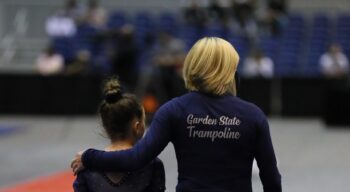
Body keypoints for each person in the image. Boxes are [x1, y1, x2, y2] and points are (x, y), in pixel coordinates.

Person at [71, 37, 282, 192]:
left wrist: (90, 157)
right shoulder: (253, 115)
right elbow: (271, 179)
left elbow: (136, 159)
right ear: (228, 70)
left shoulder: (174, 110)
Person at [73, 77, 166, 192]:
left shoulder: (86, 166)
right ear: (137, 127)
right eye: (144, 121)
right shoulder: (152, 166)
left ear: (105, 127)